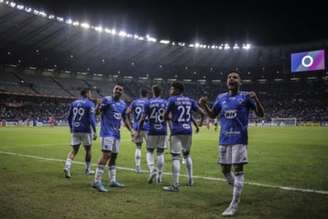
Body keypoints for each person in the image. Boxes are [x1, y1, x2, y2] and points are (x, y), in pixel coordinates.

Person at [199, 72, 264, 216]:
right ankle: (238, 188)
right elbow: (212, 115)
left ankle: (233, 205)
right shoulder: (221, 97)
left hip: (239, 139)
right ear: (226, 82)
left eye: (234, 77)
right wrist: (204, 105)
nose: (231, 79)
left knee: (238, 170)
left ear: (240, 82)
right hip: (224, 139)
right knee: (225, 171)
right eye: (229, 77)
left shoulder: (246, 97)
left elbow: (260, 114)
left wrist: (257, 100)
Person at [163, 81, 205, 192]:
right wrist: (200, 123)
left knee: (176, 157)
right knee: (186, 155)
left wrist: (168, 118)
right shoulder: (190, 100)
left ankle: (175, 185)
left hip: (176, 131)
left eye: (172, 89)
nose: (170, 91)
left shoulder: (172, 100)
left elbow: (165, 115)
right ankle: (191, 179)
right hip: (188, 131)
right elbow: (202, 112)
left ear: (177, 90)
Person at [92, 84, 134, 192]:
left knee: (114, 157)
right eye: (117, 89)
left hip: (116, 133)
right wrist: (98, 105)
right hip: (107, 132)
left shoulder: (123, 104)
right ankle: (97, 181)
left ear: (122, 92)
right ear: (113, 90)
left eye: (120, 90)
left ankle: (113, 180)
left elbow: (125, 118)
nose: (118, 91)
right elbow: (97, 113)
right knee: (106, 155)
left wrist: (132, 131)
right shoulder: (106, 100)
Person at [137, 85, 167, 184]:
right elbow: (169, 117)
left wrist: (138, 132)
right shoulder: (165, 102)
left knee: (149, 151)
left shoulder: (148, 102)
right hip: (163, 130)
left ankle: (152, 169)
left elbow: (142, 119)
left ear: (152, 92)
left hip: (152, 130)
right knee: (160, 153)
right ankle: (160, 176)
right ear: (161, 92)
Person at [64, 88, 97, 178]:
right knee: (88, 150)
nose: (91, 95)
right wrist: (95, 131)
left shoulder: (74, 103)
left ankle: (67, 166)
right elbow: (92, 119)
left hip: (75, 129)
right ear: (86, 93)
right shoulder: (90, 104)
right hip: (86, 130)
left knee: (74, 150)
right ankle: (88, 170)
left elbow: (69, 117)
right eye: (90, 93)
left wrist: (71, 128)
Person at [127, 89, 149, 173]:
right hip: (147, 127)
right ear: (147, 94)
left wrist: (132, 123)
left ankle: (137, 167)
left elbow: (127, 112)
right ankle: (150, 166)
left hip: (137, 127)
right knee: (149, 149)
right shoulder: (149, 102)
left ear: (140, 94)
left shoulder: (135, 102)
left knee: (138, 147)